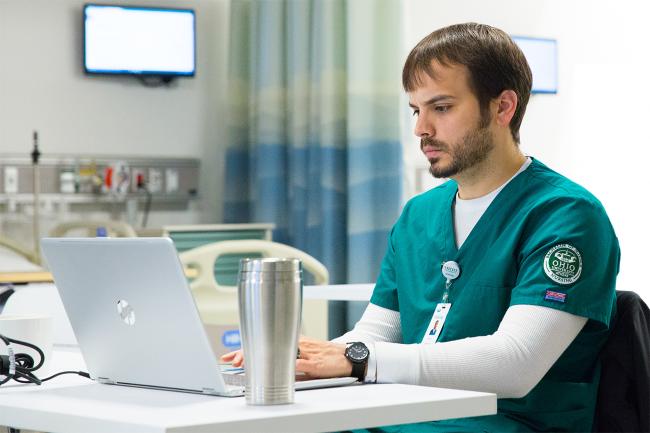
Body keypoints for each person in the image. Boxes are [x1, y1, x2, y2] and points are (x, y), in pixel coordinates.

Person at [223, 22, 620, 432]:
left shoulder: (566, 215)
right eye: (416, 110)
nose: (421, 128)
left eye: (441, 108)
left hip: (505, 422)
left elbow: (515, 362)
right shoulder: (419, 216)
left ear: (503, 107)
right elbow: (377, 333)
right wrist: (300, 358)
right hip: (409, 412)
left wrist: (358, 360)